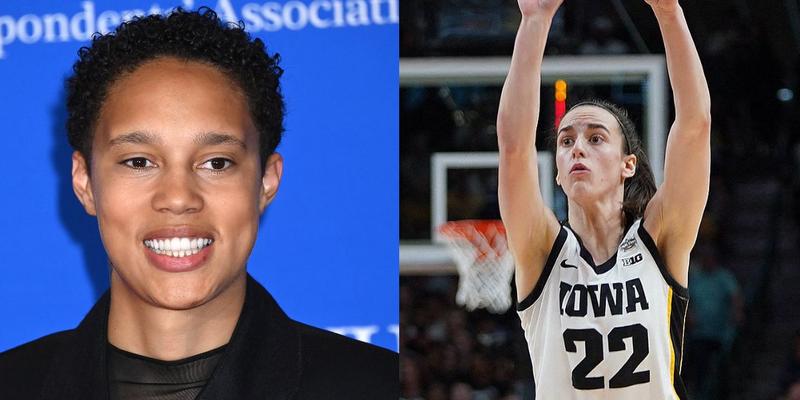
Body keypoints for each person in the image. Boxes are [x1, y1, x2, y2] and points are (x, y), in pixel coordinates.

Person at [0, 8, 397, 400]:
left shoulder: (376, 385)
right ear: (84, 182)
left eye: (216, 163)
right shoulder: (14, 384)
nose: (178, 198)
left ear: (266, 181)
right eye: (139, 162)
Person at [497, 0, 709, 398]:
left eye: (595, 138)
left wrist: (669, 11)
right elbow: (513, 147)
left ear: (628, 165)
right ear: (556, 173)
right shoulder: (542, 250)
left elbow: (695, 126)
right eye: (566, 141)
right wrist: (535, 20)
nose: (577, 148)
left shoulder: (658, 241)